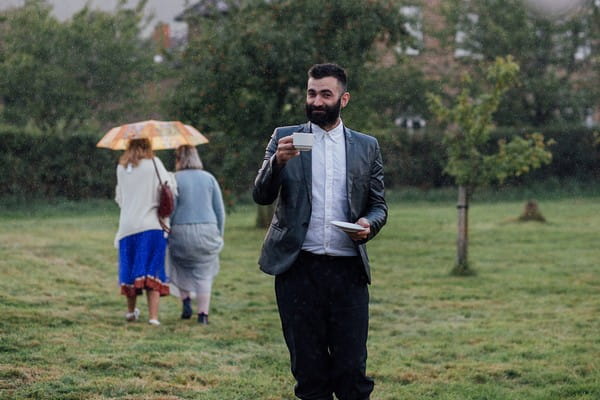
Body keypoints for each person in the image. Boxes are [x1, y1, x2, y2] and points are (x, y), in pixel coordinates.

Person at [253, 63, 387, 400]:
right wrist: (277, 163)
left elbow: (379, 205)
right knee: (309, 374)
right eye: (312, 93)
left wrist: (368, 225)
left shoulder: (365, 146)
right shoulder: (286, 137)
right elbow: (261, 195)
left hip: (347, 272)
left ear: (344, 99)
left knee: (352, 372)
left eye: (325, 94)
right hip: (298, 269)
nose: (316, 100)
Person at [115, 138, 176, 326]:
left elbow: (120, 198)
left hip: (127, 226)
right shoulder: (155, 164)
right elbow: (168, 188)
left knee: (131, 270)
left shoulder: (121, 168)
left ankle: (131, 312)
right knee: (153, 270)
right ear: (148, 146)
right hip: (151, 226)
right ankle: (153, 317)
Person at [167, 145, 225, 325]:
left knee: (179, 265)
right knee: (204, 272)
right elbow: (219, 211)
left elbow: (171, 210)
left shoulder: (174, 179)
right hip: (208, 230)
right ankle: (203, 315)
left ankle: (185, 302)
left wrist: (169, 233)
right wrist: (219, 234)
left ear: (179, 159)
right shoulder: (209, 178)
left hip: (180, 230)